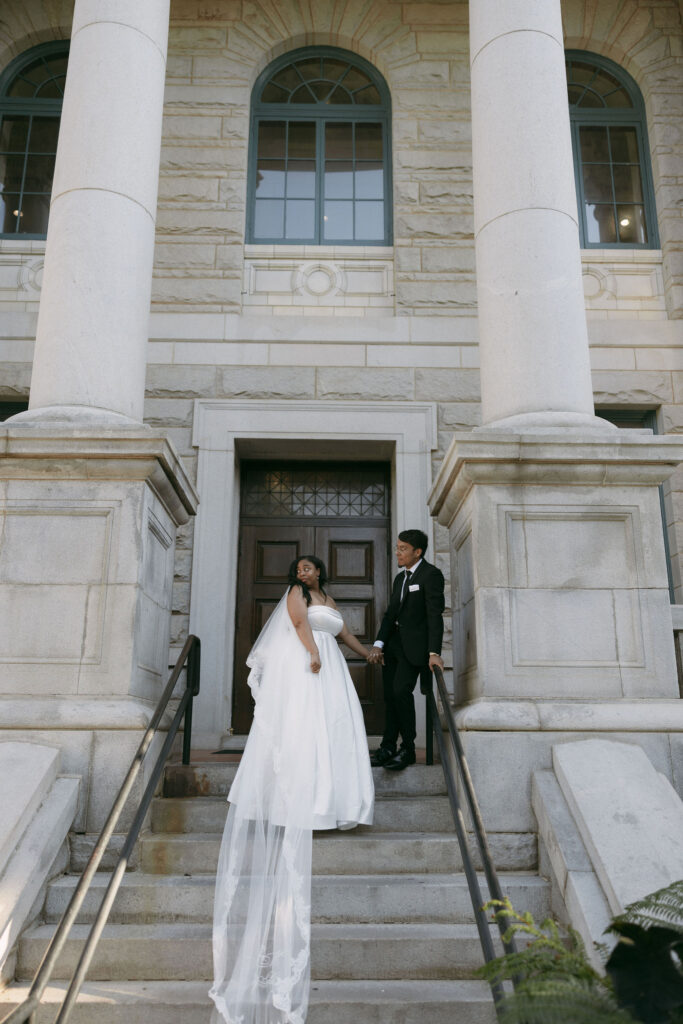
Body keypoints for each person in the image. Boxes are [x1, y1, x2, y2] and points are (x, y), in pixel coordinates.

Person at [210, 555, 374, 1024]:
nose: (303, 573)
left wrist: (364, 654)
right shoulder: (297, 597)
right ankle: (302, 799)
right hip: (310, 667)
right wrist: (313, 654)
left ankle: (335, 800)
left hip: (333, 669)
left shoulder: (328, 596)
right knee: (308, 733)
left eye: (309, 568)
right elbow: (303, 628)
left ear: (319, 571)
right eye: (298, 568)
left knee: (335, 732)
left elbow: (341, 630)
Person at [368, 529, 445, 771]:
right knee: (390, 696)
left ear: (417, 551)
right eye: (397, 548)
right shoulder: (400, 579)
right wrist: (379, 643)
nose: (398, 553)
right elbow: (391, 615)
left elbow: (435, 615)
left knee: (401, 691)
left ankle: (408, 749)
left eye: (403, 549)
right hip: (393, 647)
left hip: (416, 648)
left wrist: (434, 652)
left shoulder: (431, 575)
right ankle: (387, 747)